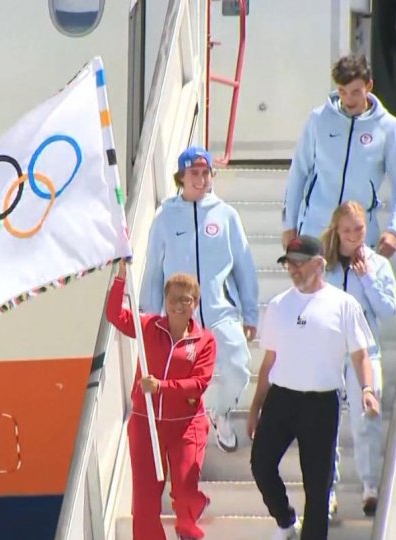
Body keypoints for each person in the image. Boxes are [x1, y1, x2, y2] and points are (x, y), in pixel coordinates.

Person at [248, 235, 381, 540]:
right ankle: (285, 520)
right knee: (261, 464)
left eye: (298, 263)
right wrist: (256, 406)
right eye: (288, 264)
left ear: (318, 264)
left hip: (321, 404)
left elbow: (361, 354)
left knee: (318, 488)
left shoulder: (343, 304)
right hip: (281, 399)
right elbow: (269, 361)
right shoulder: (279, 305)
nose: (293, 270)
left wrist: (367, 390)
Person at [141, 146, 259, 453]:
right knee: (179, 384)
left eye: (206, 173)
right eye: (194, 173)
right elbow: (153, 269)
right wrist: (151, 319)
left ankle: (220, 412)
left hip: (220, 313)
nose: (201, 179)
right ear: (181, 177)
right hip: (181, 320)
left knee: (239, 366)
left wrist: (250, 313)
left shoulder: (226, 215)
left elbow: (244, 266)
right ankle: (185, 444)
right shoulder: (165, 217)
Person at [106, 261, 216, 540]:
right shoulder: (148, 326)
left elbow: (199, 384)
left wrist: (161, 387)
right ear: (164, 300)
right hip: (146, 424)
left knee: (185, 487)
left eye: (186, 299)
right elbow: (115, 314)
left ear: (196, 303)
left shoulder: (205, 341)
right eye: (173, 298)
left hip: (186, 424)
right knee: (144, 504)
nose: (179, 305)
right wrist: (120, 277)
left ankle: (188, 523)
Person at [281, 53, 396, 260]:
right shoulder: (319, 119)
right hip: (316, 230)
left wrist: (395, 230)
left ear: (369, 86)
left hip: (358, 236)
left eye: (355, 92)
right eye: (342, 92)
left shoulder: (388, 127)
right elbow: (298, 172)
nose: (348, 100)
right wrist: (289, 224)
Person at [322, 201, 396, 518]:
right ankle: (327, 491)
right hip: (328, 352)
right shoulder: (324, 266)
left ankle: (369, 486)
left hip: (366, 352)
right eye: (347, 230)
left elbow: (389, 310)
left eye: (359, 229)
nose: (354, 236)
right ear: (337, 231)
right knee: (325, 425)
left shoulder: (377, 264)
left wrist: (367, 279)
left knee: (366, 418)